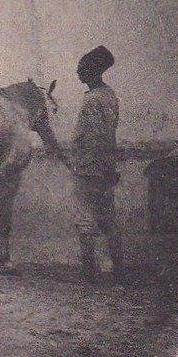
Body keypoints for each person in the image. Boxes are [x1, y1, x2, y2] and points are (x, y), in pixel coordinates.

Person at [70, 45, 125, 282]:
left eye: (82, 69)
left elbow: (93, 137)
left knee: (85, 219)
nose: (78, 73)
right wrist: (108, 168)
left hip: (90, 168)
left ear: (93, 71)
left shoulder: (92, 100)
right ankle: (118, 270)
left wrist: (85, 165)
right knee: (108, 219)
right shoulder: (109, 95)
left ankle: (88, 272)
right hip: (105, 166)